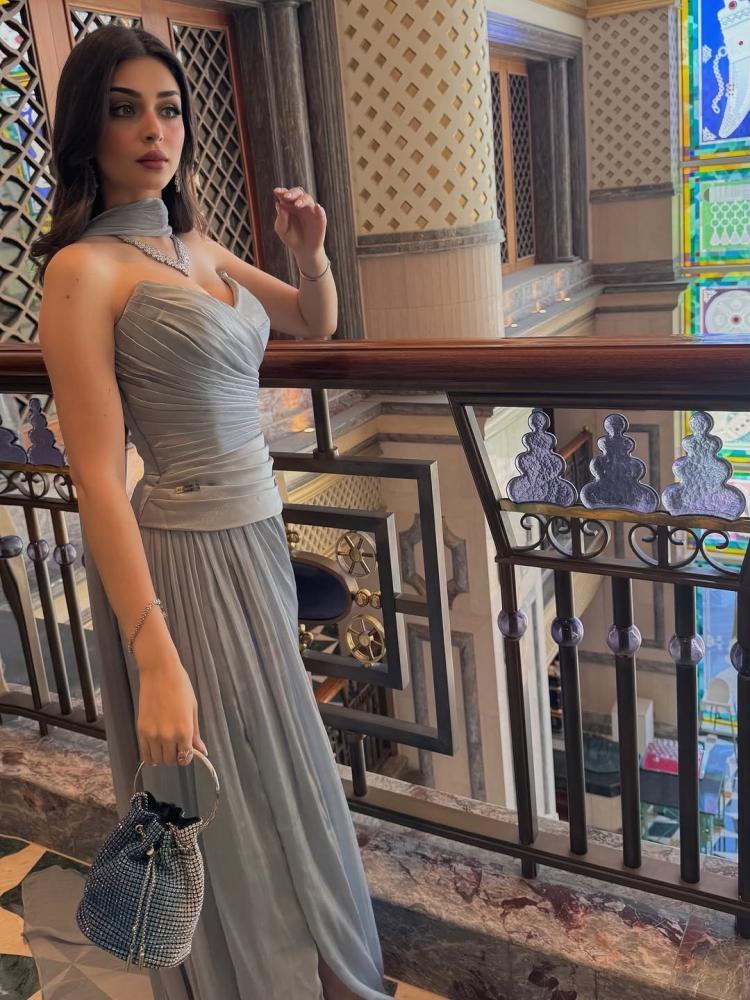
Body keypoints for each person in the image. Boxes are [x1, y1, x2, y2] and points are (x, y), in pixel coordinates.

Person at [29, 24, 389, 1000]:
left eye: (170, 108)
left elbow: (313, 321)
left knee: (287, 765)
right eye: (126, 110)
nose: (156, 130)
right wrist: (154, 656)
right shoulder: (83, 272)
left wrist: (311, 253)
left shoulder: (196, 244)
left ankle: (323, 967)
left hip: (258, 537)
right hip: (183, 557)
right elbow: (96, 477)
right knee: (223, 791)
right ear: (88, 130)